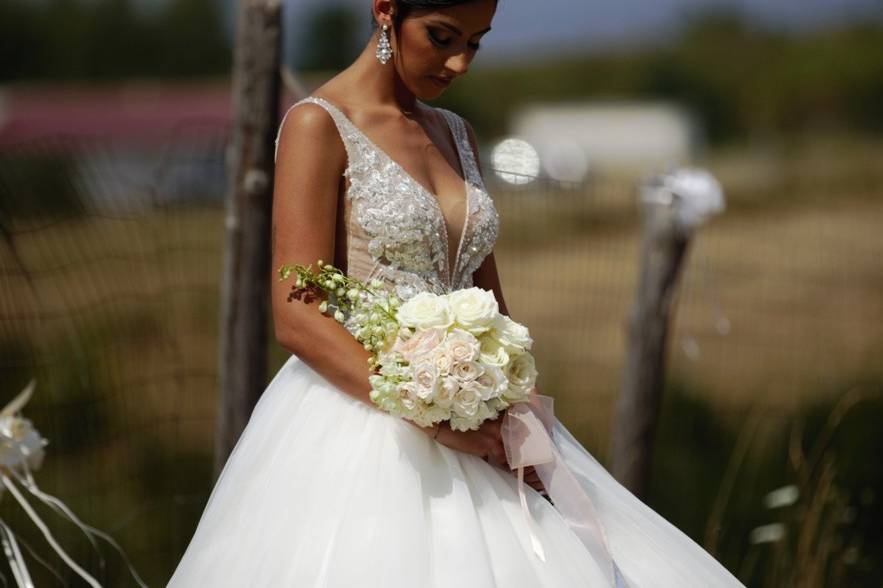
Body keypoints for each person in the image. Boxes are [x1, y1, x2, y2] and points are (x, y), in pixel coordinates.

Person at [168, 1, 747, 586]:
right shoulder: (319, 124)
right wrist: (436, 420)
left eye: (476, 41)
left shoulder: (456, 133)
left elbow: (488, 298)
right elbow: (297, 313)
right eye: (442, 36)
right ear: (386, 10)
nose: (460, 63)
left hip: (486, 406)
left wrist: (520, 404)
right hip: (365, 418)